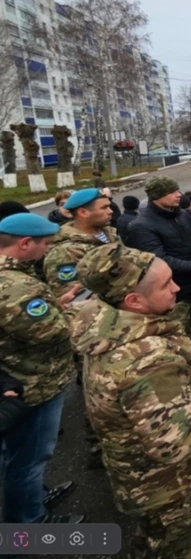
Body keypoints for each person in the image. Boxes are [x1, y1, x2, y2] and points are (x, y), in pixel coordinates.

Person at [73, 242, 191, 557]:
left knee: (153, 540)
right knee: (186, 545)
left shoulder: (108, 317)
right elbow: (176, 441)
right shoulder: (147, 359)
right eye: (165, 285)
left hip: (143, 478)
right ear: (134, 301)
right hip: (174, 486)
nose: (176, 288)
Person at [0, 213, 84, 525]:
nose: (49, 250)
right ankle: (30, 521)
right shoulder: (16, 286)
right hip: (34, 384)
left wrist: (55, 304)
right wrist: (79, 313)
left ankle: (32, 496)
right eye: (45, 244)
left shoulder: (17, 278)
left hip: (22, 379)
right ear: (24, 243)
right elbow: (51, 332)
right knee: (30, 458)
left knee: (19, 454)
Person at [125, 178, 191, 343]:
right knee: (183, 339)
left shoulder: (182, 215)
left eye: (177, 190)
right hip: (176, 294)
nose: (178, 195)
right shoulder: (142, 226)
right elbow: (161, 261)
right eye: (172, 192)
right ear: (156, 196)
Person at [44, 188, 117, 299]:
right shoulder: (65, 251)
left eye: (109, 206)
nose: (110, 211)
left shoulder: (110, 234)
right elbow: (75, 296)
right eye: (104, 207)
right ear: (83, 212)